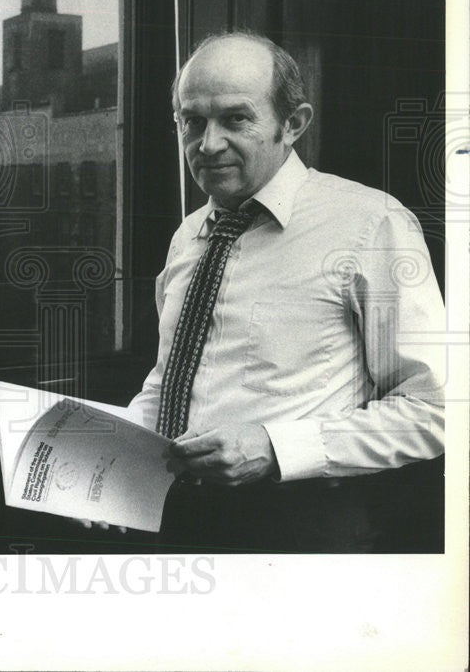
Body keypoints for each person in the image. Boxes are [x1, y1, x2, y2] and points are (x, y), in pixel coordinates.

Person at [119, 31, 446, 552]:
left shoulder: (369, 225)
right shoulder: (188, 235)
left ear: (293, 124)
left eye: (236, 118)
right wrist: (111, 466)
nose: (207, 144)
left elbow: (437, 410)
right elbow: (173, 378)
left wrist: (276, 448)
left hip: (298, 528)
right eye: (192, 121)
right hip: (172, 522)